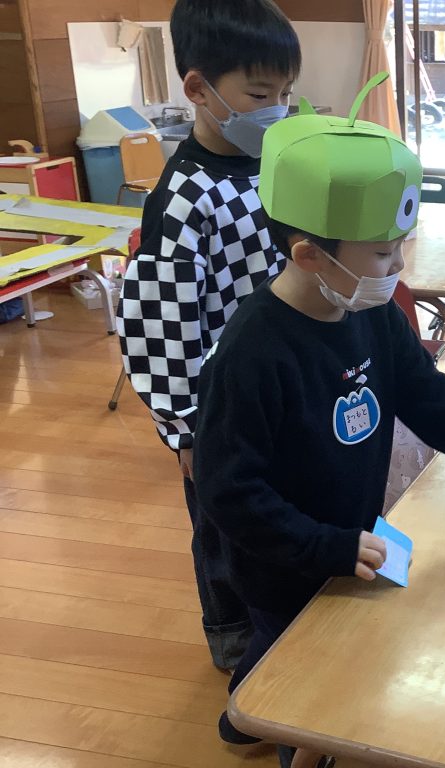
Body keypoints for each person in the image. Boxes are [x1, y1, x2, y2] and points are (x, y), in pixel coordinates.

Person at [192, 79, 445, 759]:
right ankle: (268, 723)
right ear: (309, 254)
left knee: (304, 647)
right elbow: (227, 491)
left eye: (399, 246)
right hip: (281, 560)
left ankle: (244, 712)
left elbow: (432, 400)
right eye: (383, 254)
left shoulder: (370, 312)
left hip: (347, 537)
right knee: (301, 670)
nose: (398, 266)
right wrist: (323, 547)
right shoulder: (252, 353)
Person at [116, 0, 300, 670]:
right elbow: (158, 326)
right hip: (216, 408)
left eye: (285, 94)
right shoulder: (182, 200)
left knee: (276, 511)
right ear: (198, 89)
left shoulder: (271, 167)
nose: (276, 110)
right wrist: (186, 430)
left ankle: (286, 622)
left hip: (277, 387)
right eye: (259, 94)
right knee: (224, 526)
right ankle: (234, 637)